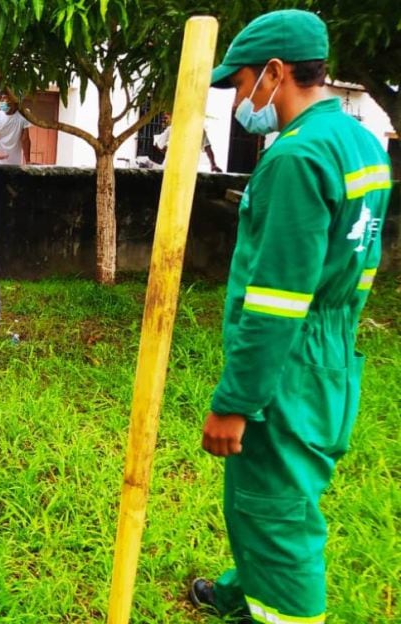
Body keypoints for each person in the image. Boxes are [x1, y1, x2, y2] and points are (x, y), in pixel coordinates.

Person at [191, 10, 391, 624]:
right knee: (274, 494)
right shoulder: (361, 142)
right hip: (331, 348)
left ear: (276, 72)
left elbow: (277, 300)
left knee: (276, 508)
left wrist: (235, 402)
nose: (240, 99)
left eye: (243, 81)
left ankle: (284, 612)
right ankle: (241, 590)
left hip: (290, 363)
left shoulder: (295, 159)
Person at [152, 112, 223, 172]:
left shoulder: (173, 128)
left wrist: (167, 150)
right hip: (187, 168)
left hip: (172, 166)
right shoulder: (199, 130)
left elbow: (159, 144)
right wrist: (213, 164)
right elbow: (208, 148)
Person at [0, 94, 31, 164]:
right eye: (1, 98)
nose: (1, 101)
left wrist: (28, 161)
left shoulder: (22, 117)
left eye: (5, 98)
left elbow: (25, 140)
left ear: (15, 101)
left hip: (14, 165)